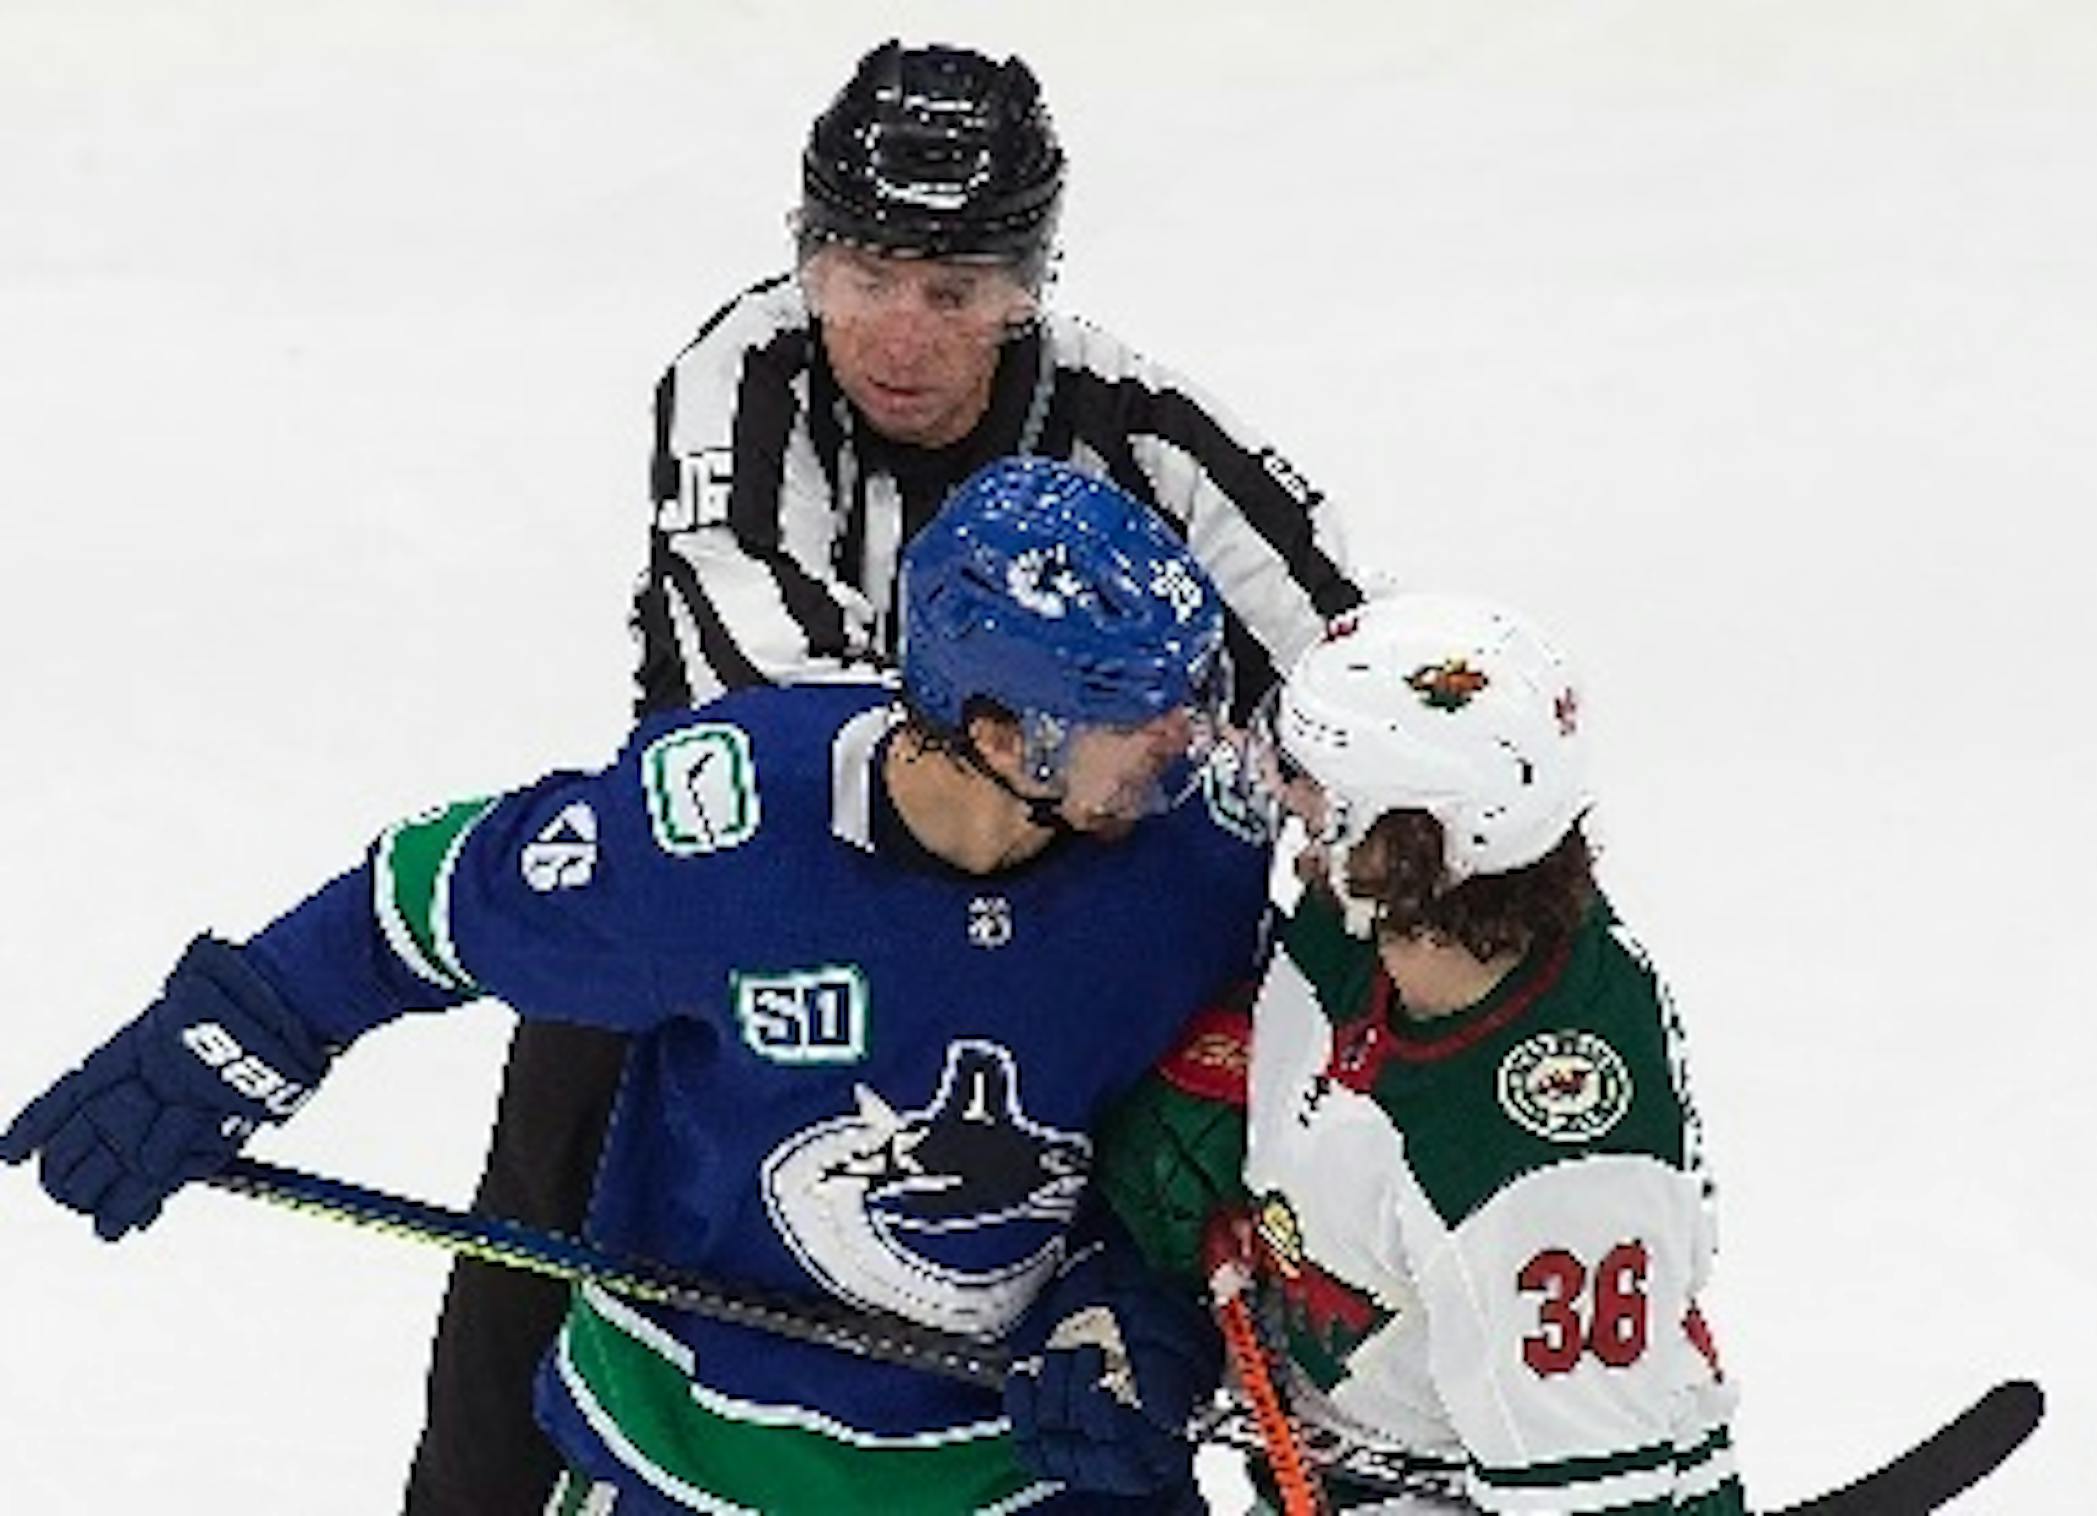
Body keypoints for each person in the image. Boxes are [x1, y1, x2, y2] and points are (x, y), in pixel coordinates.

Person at [422, 36, 1366, 1514]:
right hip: (714, 912)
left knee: (1175, 1274)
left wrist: (1430, 889)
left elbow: (1352, 693)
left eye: (956, 291)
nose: (902, 333)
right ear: (805, 260)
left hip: (1058, 931)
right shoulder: (738, 381)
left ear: (1030, 287)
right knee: (534, 1234)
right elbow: (789, 731)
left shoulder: (1146, 433)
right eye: (863, 275)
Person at [1, 460, 1265, 1514]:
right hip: (692, 1465)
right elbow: (428, 899)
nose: (1186, 744)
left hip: (1032, 1472)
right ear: (1002, 734)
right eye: (1138, 717)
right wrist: (240, 1031)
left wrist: (1150, 1312)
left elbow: (1287, 1132)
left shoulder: (1200, 864)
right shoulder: (716, 837)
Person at [1093, 594, 1747, 1513]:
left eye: (1307, 778)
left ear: (1400, 843)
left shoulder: (1550, 1177)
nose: (1279, 788)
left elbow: (1596, 1493)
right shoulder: (1370, 923)